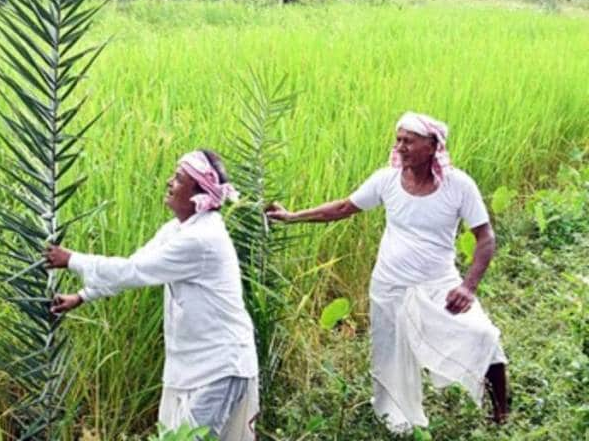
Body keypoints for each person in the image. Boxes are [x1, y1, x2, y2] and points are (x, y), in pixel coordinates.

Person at [266, 112, 509, 434]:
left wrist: (468, 286)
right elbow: (342, 208)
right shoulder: (386, 180)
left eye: (409, 141)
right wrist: (292, 217)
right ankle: (397, 420)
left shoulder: (458, 185)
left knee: (483, 336)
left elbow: (485, 237)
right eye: (399, 140)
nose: (400, 147)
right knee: (391, 358)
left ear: (432, 146)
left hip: (439, 283)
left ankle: (501, 414)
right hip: (390, 285)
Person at [44, 150, 259, 440]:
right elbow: (136, 264)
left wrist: (71, 259)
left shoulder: (201, 239)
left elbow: (134, 271)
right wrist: (82, 296)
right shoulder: (177, 229)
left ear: (199, 193)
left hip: (219, 365)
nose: (170, 182)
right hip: (194, 364)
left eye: (179, 179)